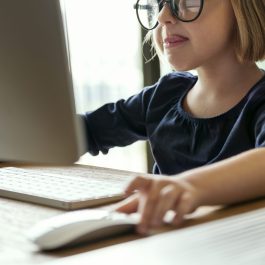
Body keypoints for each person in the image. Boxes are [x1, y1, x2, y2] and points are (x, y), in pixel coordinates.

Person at [81, 0, 265, 234]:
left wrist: (188, 186)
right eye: (158, 4)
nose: (162, 16)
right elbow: (85, 130)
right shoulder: (165, 94)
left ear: (243, 10)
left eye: (187, 2)